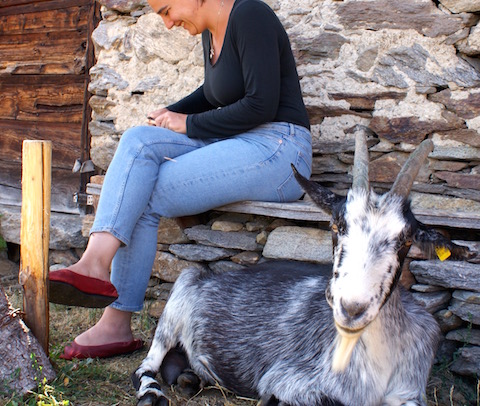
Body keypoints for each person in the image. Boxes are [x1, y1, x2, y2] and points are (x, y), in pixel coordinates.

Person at [49, 0, 312, 359]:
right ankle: (94, 262)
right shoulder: (209, 33)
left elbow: (260, 104)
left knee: (144, 191)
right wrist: (174, 112)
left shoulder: (251, 15)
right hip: (240, 141)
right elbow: (212, 95)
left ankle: (114, 321)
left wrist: (186, 123)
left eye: (166, 10)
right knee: (139, 140)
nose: (168, 23)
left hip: (280, 151)